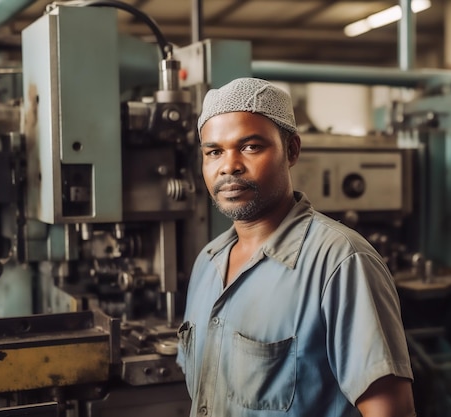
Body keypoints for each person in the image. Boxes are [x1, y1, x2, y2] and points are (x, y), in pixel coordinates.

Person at [177, 77, 415, 417]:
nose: (228, 166)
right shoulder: (207, 263)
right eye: (214, 152)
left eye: (250, 147)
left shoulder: (342, 262)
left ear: (291, 151)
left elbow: (392, 413)